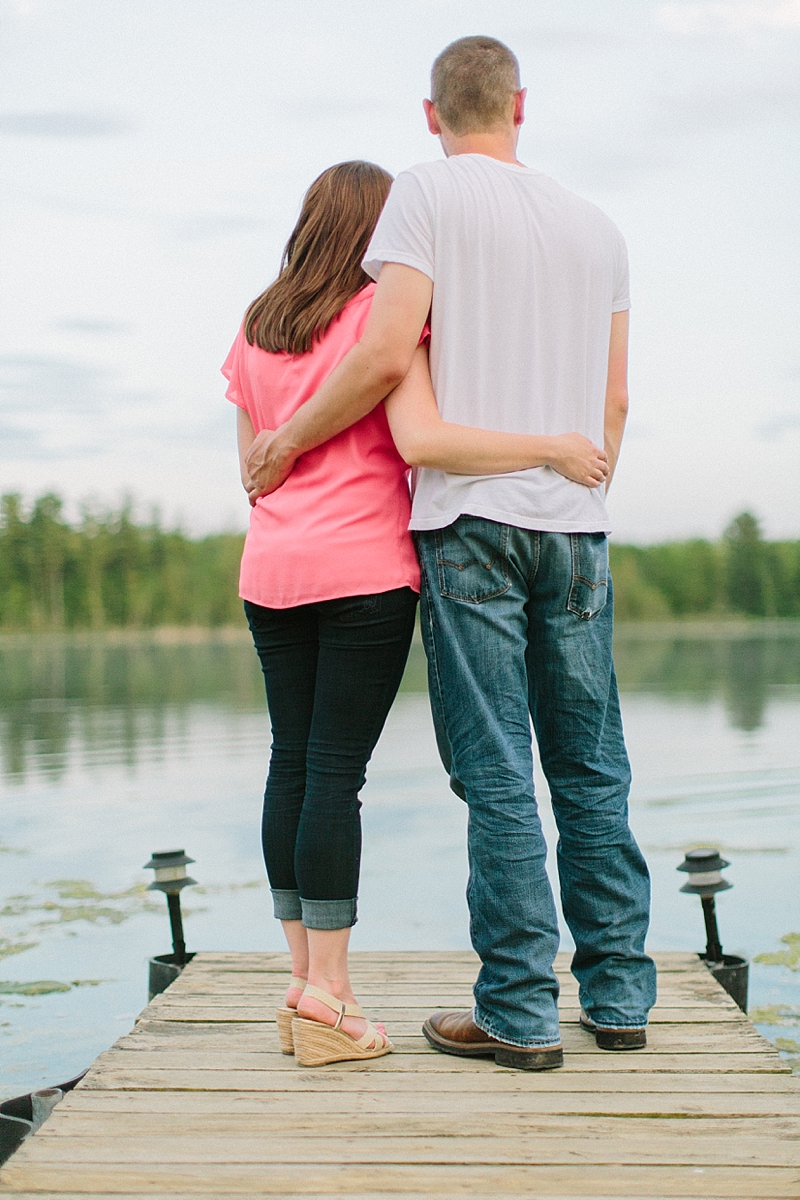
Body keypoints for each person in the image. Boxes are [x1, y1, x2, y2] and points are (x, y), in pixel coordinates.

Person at [245, 36, 657, 1071]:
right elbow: (612, 400)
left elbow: (389, 352)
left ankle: (517, 1014)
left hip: (467, 524)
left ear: (430, 114)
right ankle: (615, 999)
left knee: (496, 773)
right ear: (521, 104)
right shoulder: (599, 228)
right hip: (573, 519)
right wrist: (575, 476)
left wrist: (285, 441)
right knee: (591, 766)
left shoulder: (421, 196)